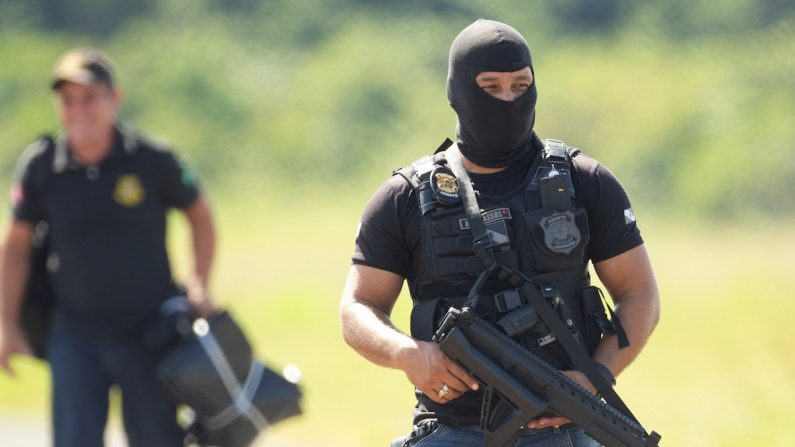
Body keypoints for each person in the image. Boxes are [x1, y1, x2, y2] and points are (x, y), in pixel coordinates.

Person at [339, 19, 660, 446]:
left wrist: (595, 376)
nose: (507, 98)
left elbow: (640, 294)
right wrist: (408, 355)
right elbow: (358, 307)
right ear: (457, 92)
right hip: (453, 429)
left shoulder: (584, 181)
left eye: (520, 85)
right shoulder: (405, 197)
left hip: (565, 429)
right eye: (490, 87)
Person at [0, 47, 216, 447]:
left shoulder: (152, 160)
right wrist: (7, 323)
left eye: (89, 98)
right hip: (75, 331)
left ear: (114, 98)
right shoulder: (42, 165)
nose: (78, 110)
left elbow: (200, 214)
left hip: (148, 329)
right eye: (67, 100)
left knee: (156, 439)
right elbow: (15, 245)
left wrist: (199, 283)